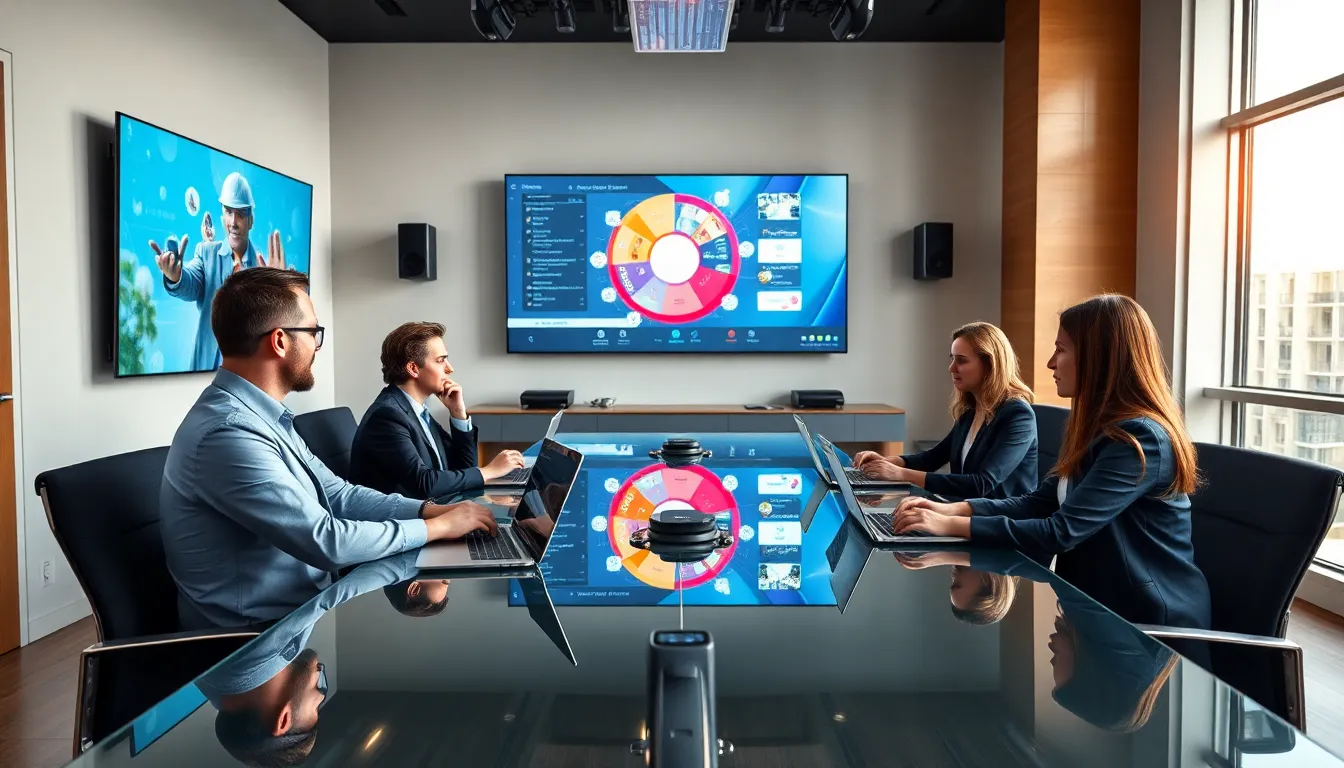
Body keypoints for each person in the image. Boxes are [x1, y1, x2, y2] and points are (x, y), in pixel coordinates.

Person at [161, 268, 498, 630]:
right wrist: (439, 527)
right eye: (313, 333)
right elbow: (326, 541)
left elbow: (338, 495)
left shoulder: (263, 418)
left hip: (311, 610)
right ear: (279, 341)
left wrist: (428, 510)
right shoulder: (228, 434)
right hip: (258, 639)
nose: (316, 345)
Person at [889, 295, 1211, 629]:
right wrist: (947, 510)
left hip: (1149, 625)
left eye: (1061, 349)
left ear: (1098, 358)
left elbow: (1060, 531)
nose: (1050, 363)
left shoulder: (1138, 441)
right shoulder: (1097, 431)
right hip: (1097, 605)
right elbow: (1039, 503)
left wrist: (949, 526)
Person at [854, 322, 1037, 500]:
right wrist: (889, 462)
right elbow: (933, 458)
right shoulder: (972, 410)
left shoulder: (1018, 415)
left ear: (990, 365)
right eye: (952, 359)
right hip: (964, 512)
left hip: (999, 521)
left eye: (961, 361)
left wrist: (900, 474)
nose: (952, 368)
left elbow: (981, 484)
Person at [349, 322, 524, 500]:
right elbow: (426, 485)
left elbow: (464, 470)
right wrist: (490, 471)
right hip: (407, 521)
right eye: (440, 360)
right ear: (413, 369)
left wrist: (458, 414)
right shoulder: (387, 416)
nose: (450, 368)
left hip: (439, 510)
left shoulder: (416, 411)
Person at [150, 172, 287, 371]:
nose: (233, 221)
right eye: (229, 212)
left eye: (240, 213)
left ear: (251, 220)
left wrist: (280, 291)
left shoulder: (262, 271)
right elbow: (191, 283)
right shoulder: (206, 253)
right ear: (222, 216)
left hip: (244, 382)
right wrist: (175, 276)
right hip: (200, 380)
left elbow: (276, 332)